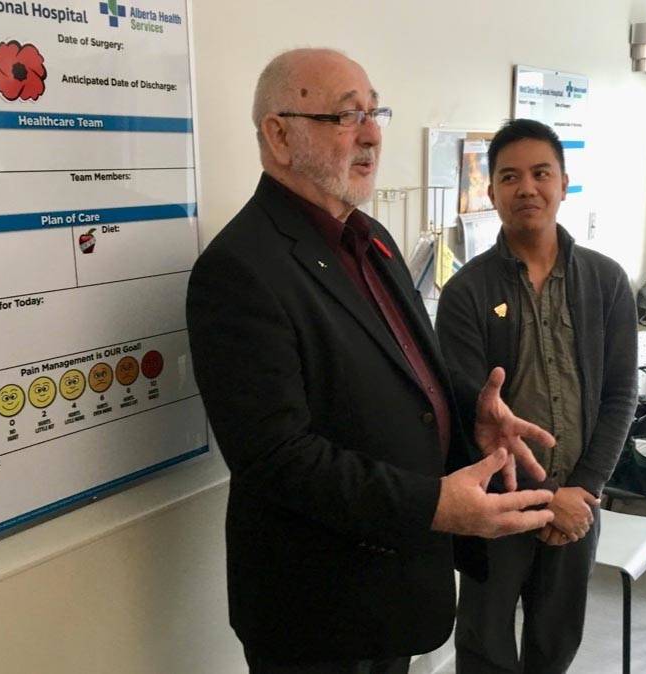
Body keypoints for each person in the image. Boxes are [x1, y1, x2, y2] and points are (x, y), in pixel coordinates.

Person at [186, 50, 558, 674]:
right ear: (278, 135)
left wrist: (472, 411)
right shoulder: (239, 269)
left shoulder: (372, 238)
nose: (372, 133)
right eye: (346, 115)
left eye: (374, 110)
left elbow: (404, 369)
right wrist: (432, 506)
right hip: (317, 608)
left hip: (395, 587)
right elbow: (274, 456)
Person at [436, 119, 638, 674]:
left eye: (540, 173)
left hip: (579, 501)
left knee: (556, 644)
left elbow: (621, 394)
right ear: (491, 192)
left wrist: (582, 491)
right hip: (496, 506)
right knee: (485, 645)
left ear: (564, 182)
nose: (527, 187)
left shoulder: (606, 282)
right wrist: (549, 498)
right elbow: (466, 412)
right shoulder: (466, 293)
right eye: (509, 176)